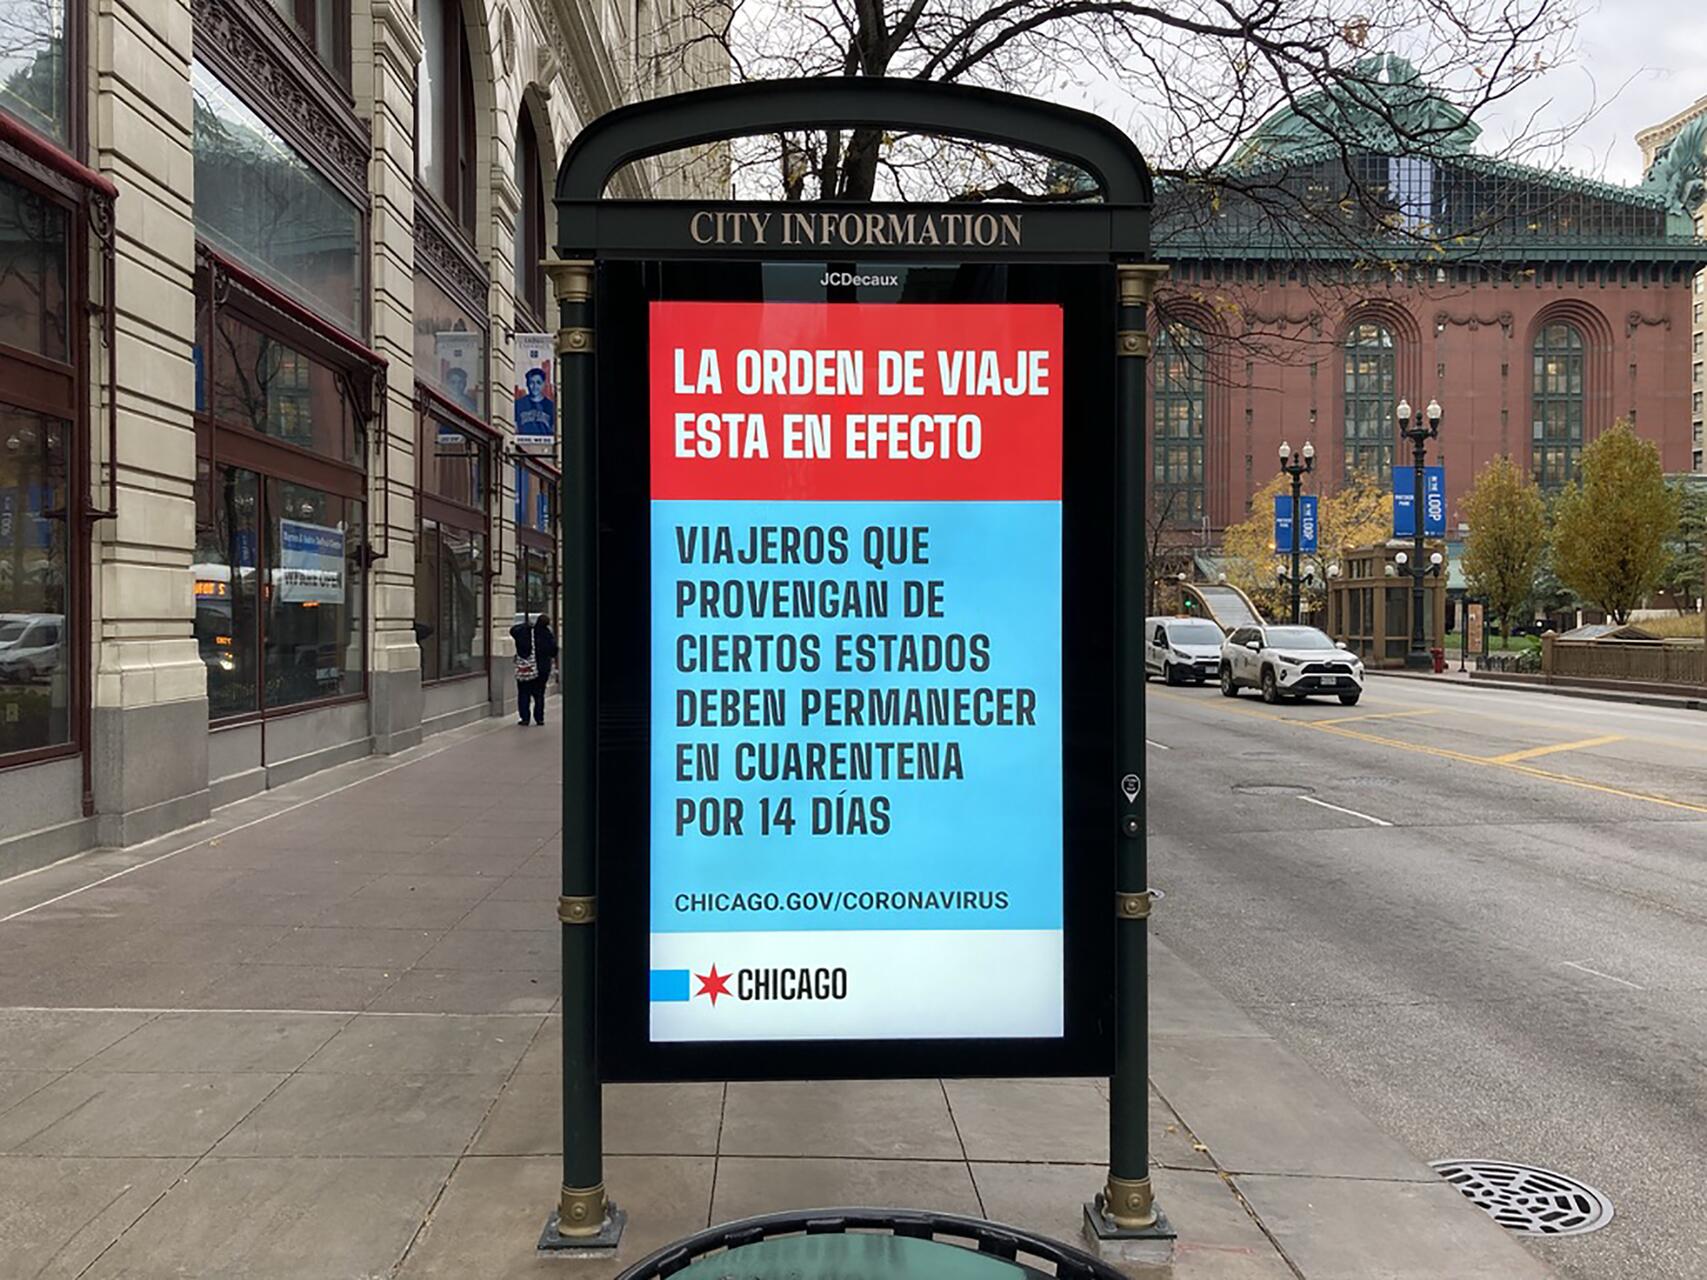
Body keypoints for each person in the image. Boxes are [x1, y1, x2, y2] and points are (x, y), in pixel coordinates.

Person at [511, 613, 558, 726]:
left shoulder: (525, 632)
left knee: (523, 693)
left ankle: (525, 718)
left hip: (526, 668)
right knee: (539, 694)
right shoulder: (547, 635)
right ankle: (539, 718)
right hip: (542, 669)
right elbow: (553, 651)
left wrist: (526, 625)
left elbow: (513, 630)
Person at [513, 367, 555, 448]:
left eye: (538, 383)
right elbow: (515, 427)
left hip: (545, 448)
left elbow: (554, 429)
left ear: (543, 384)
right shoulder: (518, 404)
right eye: (531, 382)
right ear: (527, 384)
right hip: (523, 446)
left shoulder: (550, 406)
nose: (535, 386)